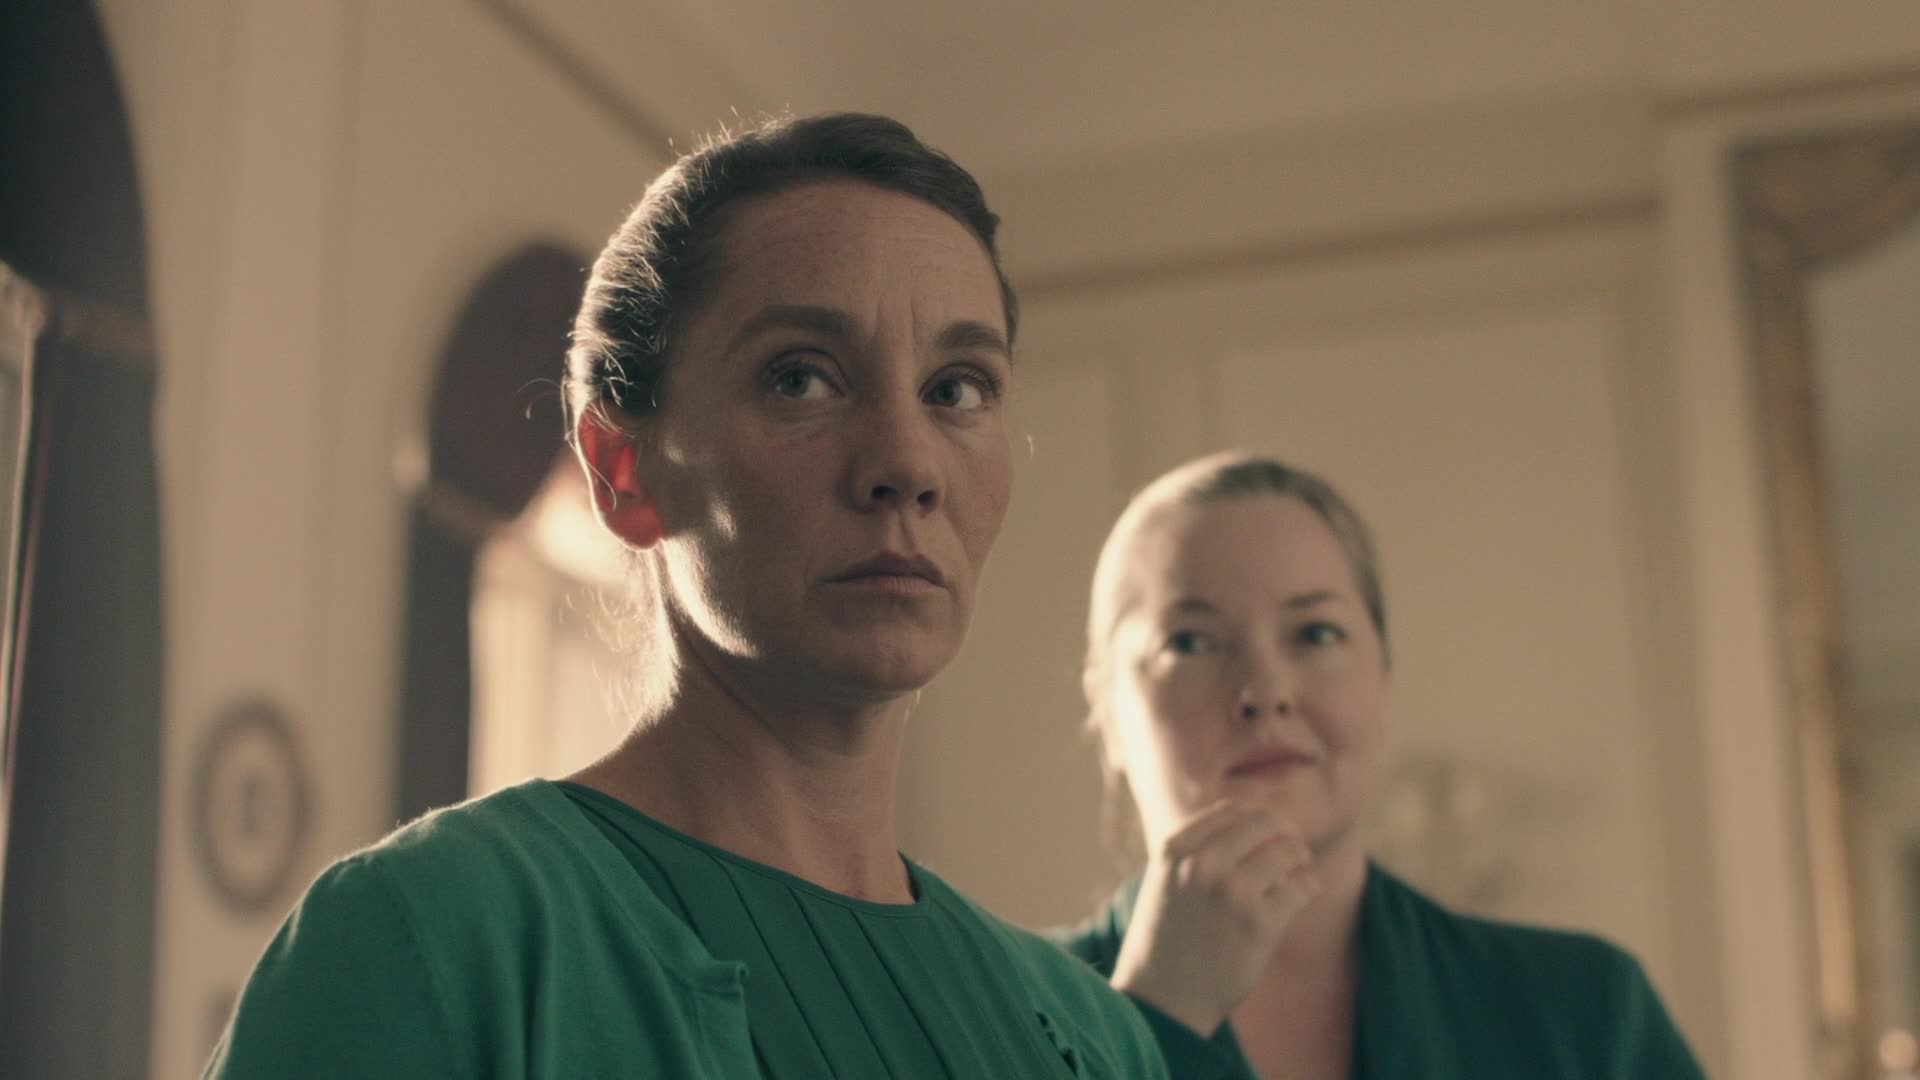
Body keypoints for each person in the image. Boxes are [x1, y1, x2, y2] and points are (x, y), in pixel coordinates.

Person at [207, 113, 1167, 1079]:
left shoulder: (1093, 1037)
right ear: (622, 469)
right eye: (801, 379)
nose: (909, 465)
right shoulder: (431, 939)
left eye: (957, 390)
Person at [1051, 451, 1705, 1079]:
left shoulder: (1588, 1012)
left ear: (1382, 673)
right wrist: (1157, 1017)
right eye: (1190, 642)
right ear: (1105, 709)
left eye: (1316, 633)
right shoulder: (1009, 1011)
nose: (1266, 690)